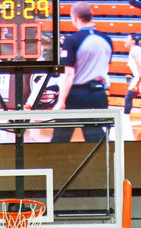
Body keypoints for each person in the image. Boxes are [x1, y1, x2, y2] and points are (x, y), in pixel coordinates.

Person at [52, 3, 114, 143]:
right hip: (98, 96)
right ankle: (104, 165)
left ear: (74, 17)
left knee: (60, 139)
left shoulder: (72, 40)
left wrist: (61, 101)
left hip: (76, 95)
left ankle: (56, 165)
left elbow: (68, 74)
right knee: (97, 142)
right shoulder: (107, 39)